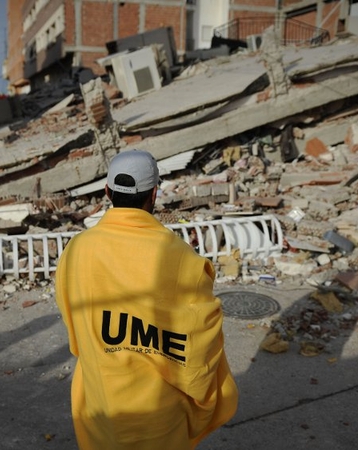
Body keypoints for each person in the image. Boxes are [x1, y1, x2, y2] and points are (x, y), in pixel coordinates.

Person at [55, 149, 238, 450]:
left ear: (107, 192)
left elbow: (73, 320)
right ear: (154, 194)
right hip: (160, 418)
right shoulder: (181, 257)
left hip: (101, 405)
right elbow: (200, 338)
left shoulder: (76, 250)